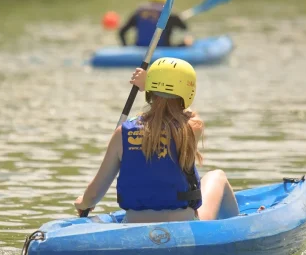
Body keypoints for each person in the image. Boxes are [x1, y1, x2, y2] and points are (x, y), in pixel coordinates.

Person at [74, 57, 239, 223]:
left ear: (149, 93)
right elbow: (185, 113)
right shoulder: (192, 128)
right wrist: (150, 84)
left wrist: (83, 202)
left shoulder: (121, 134)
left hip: (133, 224)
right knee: (217, 177)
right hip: (183, 223)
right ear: (188, 93)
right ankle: (237, 227)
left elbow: (94, 194)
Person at [118, 0, 193, 47]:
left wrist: (125, 47)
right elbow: (184, 28)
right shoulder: (171, 14)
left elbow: (122, 32)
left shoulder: (139, 12)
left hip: (139, 48)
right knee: (188, 41)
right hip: (163, 50)